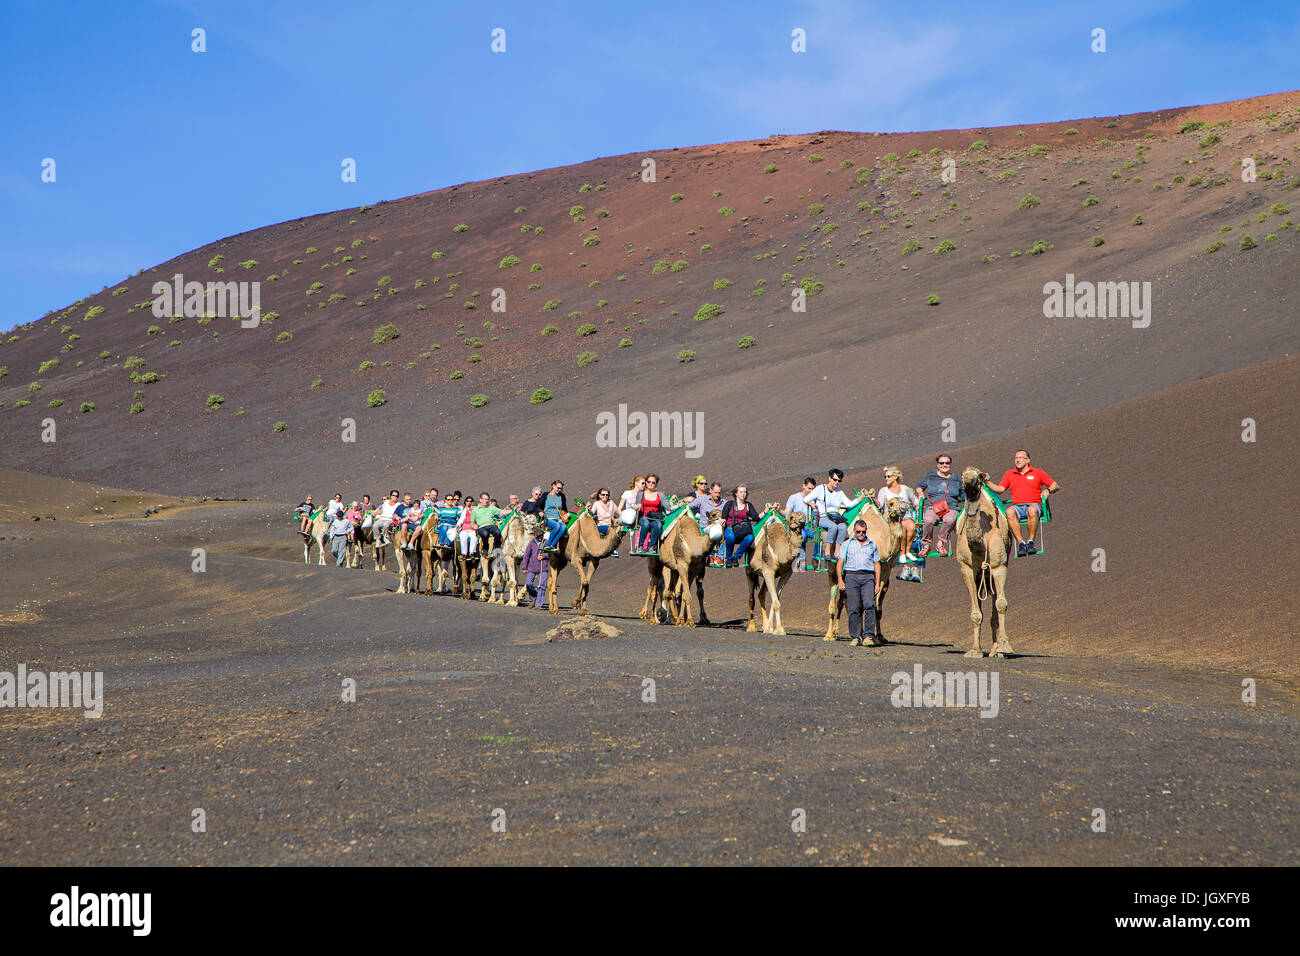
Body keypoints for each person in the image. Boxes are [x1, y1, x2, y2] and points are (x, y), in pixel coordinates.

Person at [984, 449, 1060, 557]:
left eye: (1020, 457)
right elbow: (1000, 489)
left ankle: (1030, 542)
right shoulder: (1010, 474)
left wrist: (1047, 491)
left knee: (1031, 510)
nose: (1017, 460)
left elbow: (1055, 485)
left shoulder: (1038, 472)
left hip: (1034, 505)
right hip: (1018, 507)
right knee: (1009, 512)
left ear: (1027, 460)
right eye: (1016, 458)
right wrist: (988, 482)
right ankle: (1021, 543)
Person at [804, 468, 863, 570]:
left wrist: (860, 498)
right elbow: (806, 499)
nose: (837, 482)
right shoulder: (820, 489)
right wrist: (812, 504)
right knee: (833, 527)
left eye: (839, 481)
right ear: (829, 478)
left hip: (835, 516)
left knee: (843, 527)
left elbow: (848, 504)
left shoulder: (839, 492)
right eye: (835, 479)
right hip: (823, 516)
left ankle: (837, 552)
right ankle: (827, 551)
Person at [836, 519, 882, 646]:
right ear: (854, 531)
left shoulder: (872, 544)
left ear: (866, 531)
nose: (861, 533)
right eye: (858, 531)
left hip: (868, 577)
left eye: (863, 531)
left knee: (869, 605)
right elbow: (839, 563)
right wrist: (840, 580)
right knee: (853, 607)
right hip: (851, 576)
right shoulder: (847, 544)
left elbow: (877, 564)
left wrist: (877, 583)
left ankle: (868, 636)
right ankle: (855, 636)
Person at [873, 465, 920, 577]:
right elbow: (880, 506)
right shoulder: (884, 491)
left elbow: (915, 500)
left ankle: (907, 551)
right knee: (902, 528)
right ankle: (902, 553)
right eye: (885, 476)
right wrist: (874, 499)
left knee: (911, 527)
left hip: (906, 516)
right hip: (892, 519)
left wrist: (918, 506)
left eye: (889, 476)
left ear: (896, 477)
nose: (886, 478)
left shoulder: (905, 489)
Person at [915, 455, 962, 557]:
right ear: (937, 465)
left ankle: (940, 543)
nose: (944, 465)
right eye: (941, 463)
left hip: (951, 507)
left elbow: (963, 494)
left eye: (947, 463)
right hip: (934, 506)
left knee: (949, 520)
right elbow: (919, 486)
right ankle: (926, 545)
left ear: (950, 464)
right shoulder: (931, 476)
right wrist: (920, 493)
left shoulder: (955, 479)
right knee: (928, 519)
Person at [721, 484, 761, 567]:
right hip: (730, 528)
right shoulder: (729, 504)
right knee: (730, 537)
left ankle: (736, 557)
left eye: (744, 492)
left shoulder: (748, 505)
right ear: (736, 493)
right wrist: (723, 520)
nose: (743, 494)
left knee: (749, 538)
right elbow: (723, 516)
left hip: (742, 529)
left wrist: (766, 511)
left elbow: (756, 517)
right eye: (741, 492)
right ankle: (728, 558)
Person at [784, 476, 817, 571]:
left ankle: (816, 559)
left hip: (811, 526)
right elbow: (788, 511)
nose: (811, 491)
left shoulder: (815, 499)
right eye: (809, 488)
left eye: (813, 489)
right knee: (801, 538)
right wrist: (782, 511)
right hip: (799, 527)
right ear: (804, 486)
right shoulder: (794, 498)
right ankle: (801, 561)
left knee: (819, 536)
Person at [633, 474, 667, 552]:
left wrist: (681, 504)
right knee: (646, 524)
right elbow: (635, 506)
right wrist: (637, 506)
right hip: (643, 517)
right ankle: (640, 546)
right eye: (649, 482)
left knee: (658, 525)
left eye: (653, 482)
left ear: (656, 484)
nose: (651, 483)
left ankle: (651, 546)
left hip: (654, 518)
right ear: (646, 483)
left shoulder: (660, 495)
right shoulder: (640, 494)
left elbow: (668, 507)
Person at [540, 480, 568, 552]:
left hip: (558, 519)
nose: (559, 490)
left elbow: (564, 508)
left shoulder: (562, 496)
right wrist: (540, 512)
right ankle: (548, 545)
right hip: (547, 518)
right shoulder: (546, 495)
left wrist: (566, 514)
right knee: (557, 526)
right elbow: (538, 506)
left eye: (561, 489)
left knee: (564, 527)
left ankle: (553, 545)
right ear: (553, 486)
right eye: (558, 488)